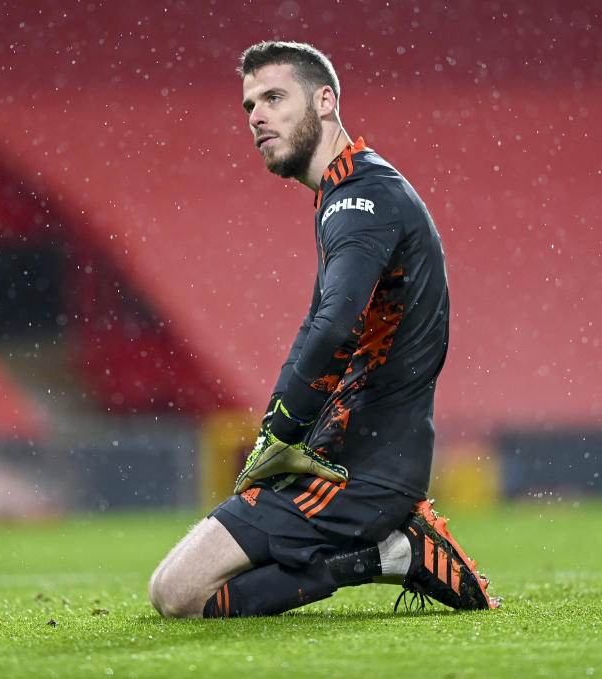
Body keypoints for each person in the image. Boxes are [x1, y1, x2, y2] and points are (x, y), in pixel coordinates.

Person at [148, 41, 499, 618]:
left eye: (274, 97)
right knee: (187, 585)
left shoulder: (360, 198)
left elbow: (333, 324)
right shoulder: (351, 190)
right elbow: (329, 324)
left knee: (178, 597)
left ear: (326, 101)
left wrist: (281, 426)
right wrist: (284, 429)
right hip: (346, 453)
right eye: (248, 105)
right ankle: (388, 545)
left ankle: (389, 553)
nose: (256, 116)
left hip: (357, 467)